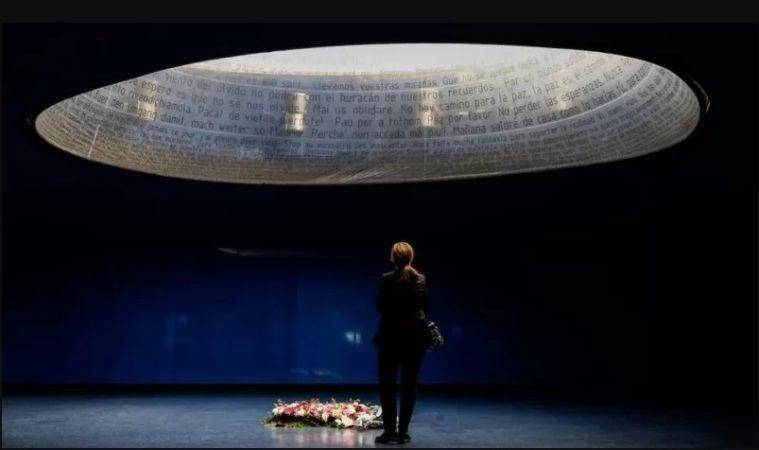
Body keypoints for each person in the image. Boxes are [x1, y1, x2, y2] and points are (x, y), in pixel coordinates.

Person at [373, 242, 429, 445]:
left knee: (387, 386)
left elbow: (380, 307)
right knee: (409, 386)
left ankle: (389, 432)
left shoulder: (387, 279)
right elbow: (425, 307)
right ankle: (403, 433)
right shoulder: (421, 279)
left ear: (393, 258)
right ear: (411, 257)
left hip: (389, 339)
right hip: (414, 340)